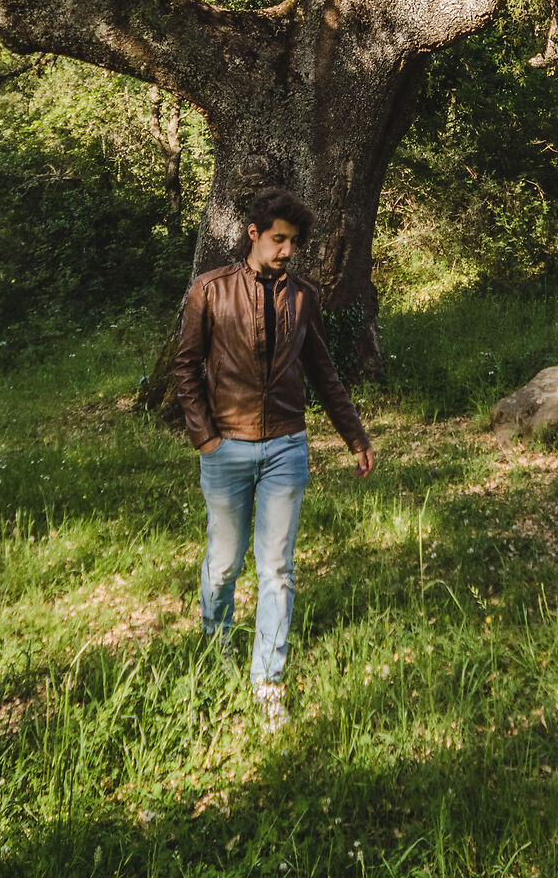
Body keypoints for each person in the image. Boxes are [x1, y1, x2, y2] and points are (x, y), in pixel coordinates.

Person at [171, 188, 376, 729]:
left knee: (278, 569)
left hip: (287, 446)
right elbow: (185, 369)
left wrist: (355, 437)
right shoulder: (209, 290)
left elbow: (324, 374)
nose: (287, 250)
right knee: (223, 564)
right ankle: (215, 653)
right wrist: (206, 439)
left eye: (293, 242)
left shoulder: (304, 298)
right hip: (227, 447)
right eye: (279, 239)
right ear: (253, 234)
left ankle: (268, 681)